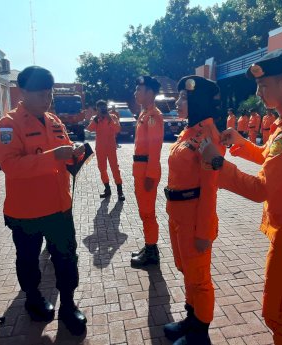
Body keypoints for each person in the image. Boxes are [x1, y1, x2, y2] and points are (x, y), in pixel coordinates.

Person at [200, 48, 282, 345]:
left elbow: (260, 189)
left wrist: (218, 164)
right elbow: (271, 161)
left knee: (279, 316)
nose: (258, 93)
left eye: (263, 85)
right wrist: (242, 143)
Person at [0, 66, 88, 335]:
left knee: (67, 258)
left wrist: (76, 153)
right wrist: (53, 156)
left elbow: (66, 156)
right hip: (27, 212)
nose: (46, 98)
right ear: (23, 92)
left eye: (49, 93)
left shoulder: (54, 121)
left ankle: (68, 305)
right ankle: (33, 298)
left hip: (59, 207)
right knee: (27, 259)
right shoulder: (8, 125)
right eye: (40, 93)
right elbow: (11, 165)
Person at [162, 76, 225, 345]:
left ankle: (200, 333)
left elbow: (210, 189)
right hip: (178, 216)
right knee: (187, 271)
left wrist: (204, 231)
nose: (177, 102)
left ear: (197, 100)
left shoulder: (209, 137)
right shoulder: (189, 132)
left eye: (183, 98)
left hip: (195, 221)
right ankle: (191, 319)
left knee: (199, 279)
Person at [130, 76, 165, 268]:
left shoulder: (154, 116)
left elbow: (155, 148)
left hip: (146, 170)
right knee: (144, 212)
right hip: (140, 168)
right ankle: (149, 245)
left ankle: (152, 251)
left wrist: (151, 175)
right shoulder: (144, 114)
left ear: (150, 93)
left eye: (139, 90)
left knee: (148, 212)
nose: (135, 93)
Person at [87, 100, 125, 201]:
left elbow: (117, 129)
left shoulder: (113, 117)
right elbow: (89, 129)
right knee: (102, 169)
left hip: (111, 148)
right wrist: (96, 119)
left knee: (114, 168)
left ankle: (120, 191)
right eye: (100, 108)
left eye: (104, 107)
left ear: (106, 107)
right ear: (97, 109)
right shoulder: (95, 119)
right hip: (100, 148)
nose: (103, 110)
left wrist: (109, 119)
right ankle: (107, 189)